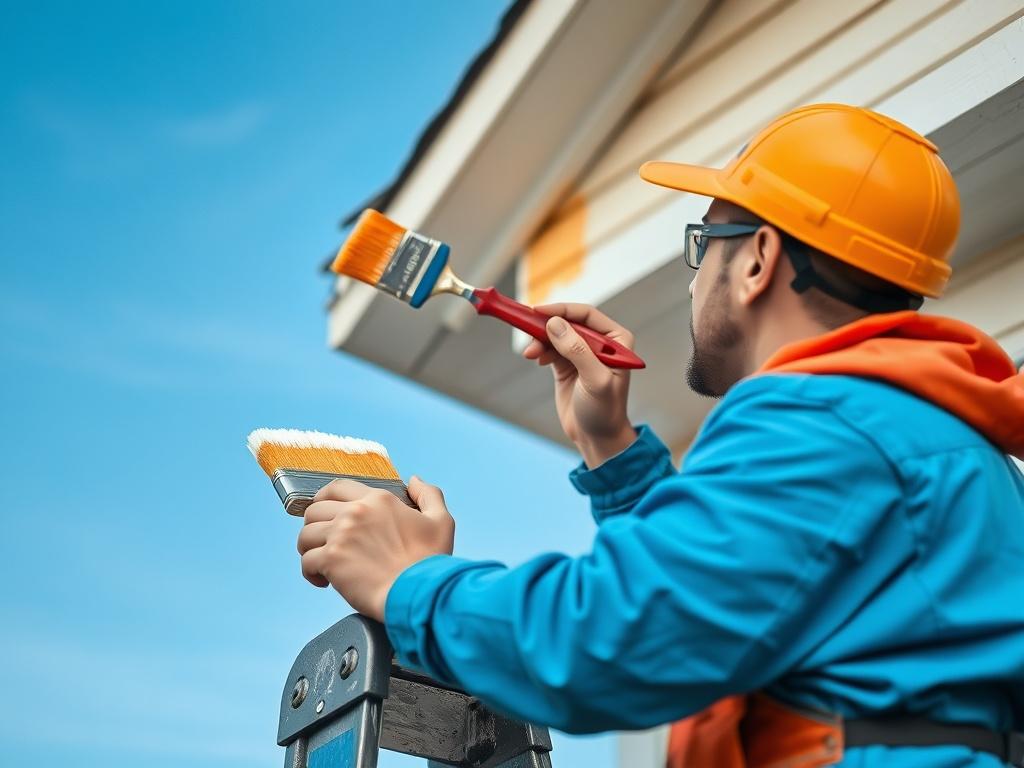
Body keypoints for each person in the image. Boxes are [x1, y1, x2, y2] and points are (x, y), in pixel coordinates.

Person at [295, 104, 1024, 766]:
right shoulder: (927, 440)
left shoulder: (820, 425)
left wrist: (409, 582)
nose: (693, 279)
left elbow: (606, 643)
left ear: (759, 259)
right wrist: (612, 450)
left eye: (703, 242)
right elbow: (719, 605)